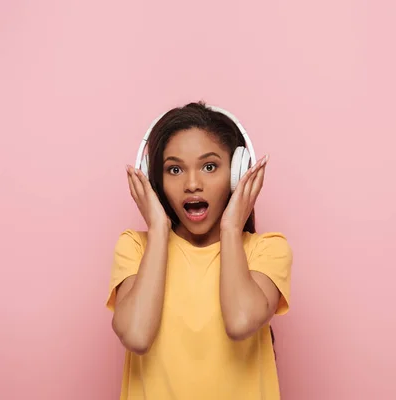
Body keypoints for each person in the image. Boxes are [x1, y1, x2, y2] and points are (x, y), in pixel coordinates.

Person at [105, 101, 293, 399]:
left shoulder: (267, 250)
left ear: (237, 173)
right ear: (156, 180)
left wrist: (232, 228)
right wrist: (157, 229)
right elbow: (137, 336)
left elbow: (240, 321)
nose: (192, 184)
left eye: (209, 166)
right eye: (175, 169)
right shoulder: (136, 247)